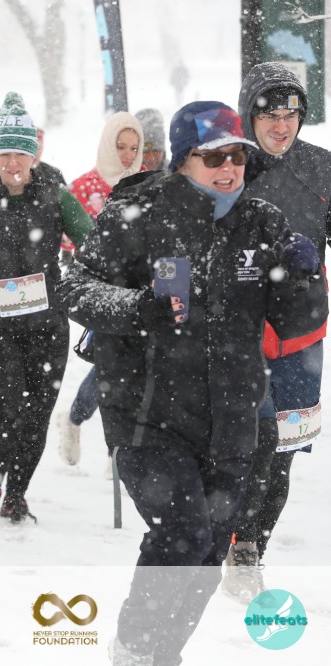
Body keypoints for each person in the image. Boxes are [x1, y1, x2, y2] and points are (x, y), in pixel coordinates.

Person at [59, 100, 327, 665]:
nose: (229, 168)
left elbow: (298, 321)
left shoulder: (261, 222)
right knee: (182, 533)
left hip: (233, 418)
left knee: (207, 555)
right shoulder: (138, 214)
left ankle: (166, 654)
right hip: (147, 413)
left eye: (237, 156)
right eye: (213, 157)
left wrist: (303, 277)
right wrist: (141, 308)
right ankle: (134, 648)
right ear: (183, 160)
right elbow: (75, 288)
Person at [222, 63, 331, 601]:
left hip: (302, 338)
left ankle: (250, 552)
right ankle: (233, 541)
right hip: (241, 334)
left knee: (282, 454)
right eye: (269, 113)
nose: (281, 125)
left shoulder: (322, 169)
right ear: (250, 115)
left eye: (291, 113)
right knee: (251, 448)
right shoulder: (229, 166)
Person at [0, 92, 93, 524]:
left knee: (36, 416)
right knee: (11, 408)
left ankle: (16, 494)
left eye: (20, 153)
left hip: (46, 326)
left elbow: (95, 244)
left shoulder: (56, 197)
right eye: (4, 154)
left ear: (34, 155)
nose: (12, 163)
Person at [58, 112, 145, 468]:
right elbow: (66, 241)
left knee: (134, 372)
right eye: (120, 146)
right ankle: (77, 419)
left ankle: (122, 451)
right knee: (109, 369)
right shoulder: (82, 188)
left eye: (134, 148)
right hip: (100, 293)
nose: (127, 155)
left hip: (141, 292)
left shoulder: (150, 184)